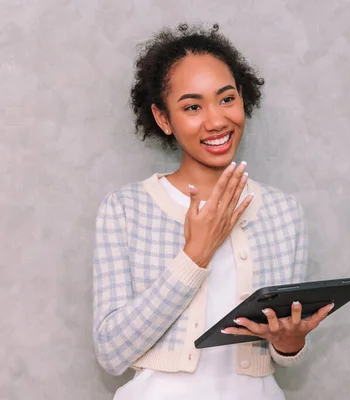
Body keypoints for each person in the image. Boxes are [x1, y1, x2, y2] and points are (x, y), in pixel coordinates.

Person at [92, 23, 333, 400]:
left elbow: (283, 354)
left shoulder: (284, 213)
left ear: (243, 98)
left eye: (226, 99)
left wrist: (289, 343)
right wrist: (195, 254)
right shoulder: (125, 209)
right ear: (163, 119)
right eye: (192, 107)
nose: (217, 121)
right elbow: (110, 351)